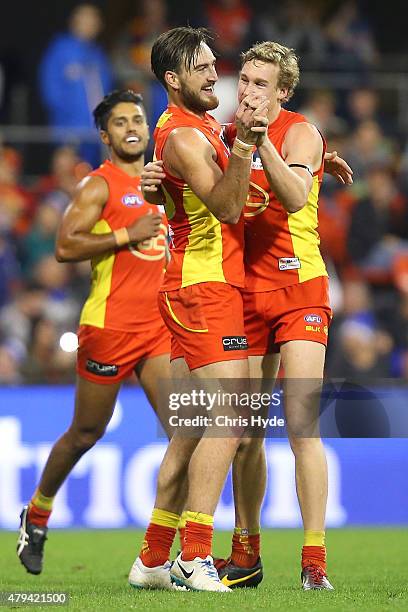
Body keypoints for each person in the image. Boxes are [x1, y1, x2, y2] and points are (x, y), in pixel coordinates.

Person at [141, 42, 353, 591]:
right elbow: (193, 185)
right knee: (244, 434)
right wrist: (155, 183)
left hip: (299, 287)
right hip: (243, 295)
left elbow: (294, 194)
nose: (250, 91)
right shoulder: (223, 134)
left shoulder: (299, 132)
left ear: (284, 92)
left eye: (263, 84)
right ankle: (246, 551)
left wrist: (266, 149)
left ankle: (313, 563)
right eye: (248, 81)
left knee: (301, 425)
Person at [127, 26, 268, 592]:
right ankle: (195, 554)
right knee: (229, 419)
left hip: (203, 287)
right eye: (202, 67)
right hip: (202, 289)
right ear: (172, 79)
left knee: (189, 430)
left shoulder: (198, 126)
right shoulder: (186, 137)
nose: (216, 75)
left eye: (216, 65)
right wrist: (242, 147)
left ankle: (152, 559)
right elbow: (230, 208)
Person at [16, 89, 171, 575]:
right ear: (105, 136)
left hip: (160, 329)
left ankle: (164, 553)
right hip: (109, 327)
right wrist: (128, 234)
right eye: (121, 122)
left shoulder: (165, 182)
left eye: (138, 119)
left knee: (187, 434)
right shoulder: (99, 186)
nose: (132, 127)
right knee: (86, 431)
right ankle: (37, 513)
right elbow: (64, 246)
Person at [39, 4, 113, 166]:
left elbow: (107, 93)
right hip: (68, 133)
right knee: (69, 176)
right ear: (74, 21)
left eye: (94, 20)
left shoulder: (98, 55)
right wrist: (65, 125)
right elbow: (51, 91)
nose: (90, 24)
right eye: (86, 19)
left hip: (96, 134)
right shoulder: (60, 50)